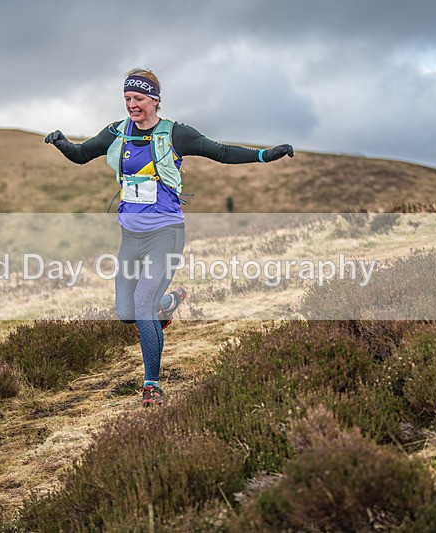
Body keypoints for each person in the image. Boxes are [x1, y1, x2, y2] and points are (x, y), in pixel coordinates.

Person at [45, 68, 293, 406]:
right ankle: (167, 305)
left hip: (166, 233)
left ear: (155, 101)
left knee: (142, 305)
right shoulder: (117, 133)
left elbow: (219, 151)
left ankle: (151, 386)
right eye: (128, 98)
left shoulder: (176, 134)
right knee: (126, 312)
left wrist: (264, 155)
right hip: (131, 236)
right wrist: (62, 143)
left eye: (139, 99)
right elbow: (81, 154)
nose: (132, 105)